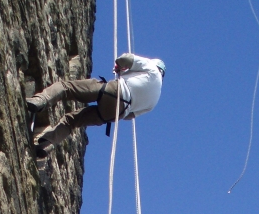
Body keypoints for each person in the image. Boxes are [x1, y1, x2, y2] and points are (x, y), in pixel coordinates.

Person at [27, 53, 166, 157]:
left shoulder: (152, 68)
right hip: (115, 114)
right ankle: (46, 145)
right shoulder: (155, 100)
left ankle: (40, 100)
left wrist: (119, 65)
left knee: (66, 87)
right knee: (72, 121)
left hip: (114, 91)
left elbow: (126, 59)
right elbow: (130, 116)